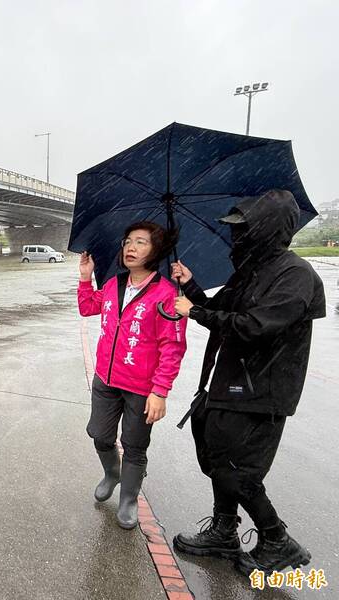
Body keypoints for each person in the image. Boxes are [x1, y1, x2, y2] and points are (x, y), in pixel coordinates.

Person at [170, 189, 326, 575]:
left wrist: (194, 313)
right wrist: (190, 287)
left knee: (238, 470)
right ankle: (224, 530)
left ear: (267, 229)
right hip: (231, 382)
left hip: (264, 390)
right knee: (216, 455)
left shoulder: (295, 275)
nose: (236, 237)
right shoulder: (251, 271)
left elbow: (256, 327)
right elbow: (222, 307)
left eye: (244, 229)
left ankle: (276, 539)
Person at [78, 221, 186, 529]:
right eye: (128, 241)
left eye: (141, 242)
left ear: (157, 251)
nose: (131, 247)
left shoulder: (166, 294)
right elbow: (89, 308)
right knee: (99, 434)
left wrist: (160, 391)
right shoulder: (114, 283)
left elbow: (173, 347)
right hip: (106, 380)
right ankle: (112, 472)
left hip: (142, 387)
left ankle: (128, 498)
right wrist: (86, 279)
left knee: (135, 445)